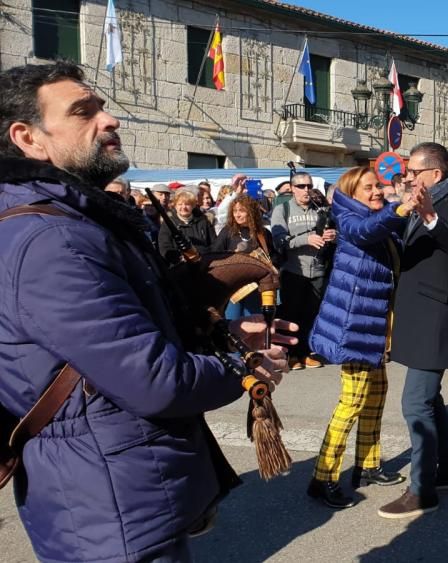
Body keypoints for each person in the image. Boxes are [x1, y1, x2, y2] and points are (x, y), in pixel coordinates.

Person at [0, 61, 291, 562]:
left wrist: (223, 332)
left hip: (119, 489)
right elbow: (152, 379)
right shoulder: (52, 239)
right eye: (83, 111)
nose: (109, 119)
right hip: (106, 505)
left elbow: (123, 342)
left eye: (103, 107)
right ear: (29, 138)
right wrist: (243, 369)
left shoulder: (74, 222)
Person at [377, 142, 448, 519]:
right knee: (431, 400)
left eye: (413, 172)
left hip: (436, 317)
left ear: (435, 175)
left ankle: (421, 490)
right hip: (418, 313)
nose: (407, 177)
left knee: (415, 403)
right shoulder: (416, 205)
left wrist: (430, 216)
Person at [307, 167, 412, 509]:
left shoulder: (376, 215)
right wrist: (398, 209)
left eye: (378, 185)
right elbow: (367, 231)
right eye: (368, 187)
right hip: (354, 325)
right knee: (351, 401)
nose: (376, 191)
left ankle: (368, 466)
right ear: (352, 192)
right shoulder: (349, 216)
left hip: (375, 324)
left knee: (376, 394)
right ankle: (323, 477)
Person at [271, 171, 335, 370]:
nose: (306, 190)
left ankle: (305, 353)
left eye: (308, 186)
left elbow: (333, 234)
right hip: (293, 270)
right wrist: (305, 239)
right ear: (292, 188)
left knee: (311, 314)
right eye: (301, 186)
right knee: (292, 314)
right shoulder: (283, 209)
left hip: (317, 270)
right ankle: (290, 355)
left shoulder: (321, 210)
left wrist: (333, 236)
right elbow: (279, 240)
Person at [212, 194, 275, 319]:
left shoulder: (263, 233)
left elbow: (273, 256)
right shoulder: (228, 231)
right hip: (234, 286)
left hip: (255, 286)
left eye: (241, 210)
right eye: (235, 211)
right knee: (233, 321)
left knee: (255, 322)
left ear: (251, 212)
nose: (237, 214)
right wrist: (231, 257)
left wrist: (271, 265)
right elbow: (215, 254)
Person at [157, 189, 216, 259]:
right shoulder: (169, 224)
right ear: (175, 206)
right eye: (180, 204)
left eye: (187, 204)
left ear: (193, 206)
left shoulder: (203, 221)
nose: (183, 207)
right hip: (181, 264)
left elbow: (214, 243)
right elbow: (165, 248)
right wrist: (180, 258)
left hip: (205, 260)